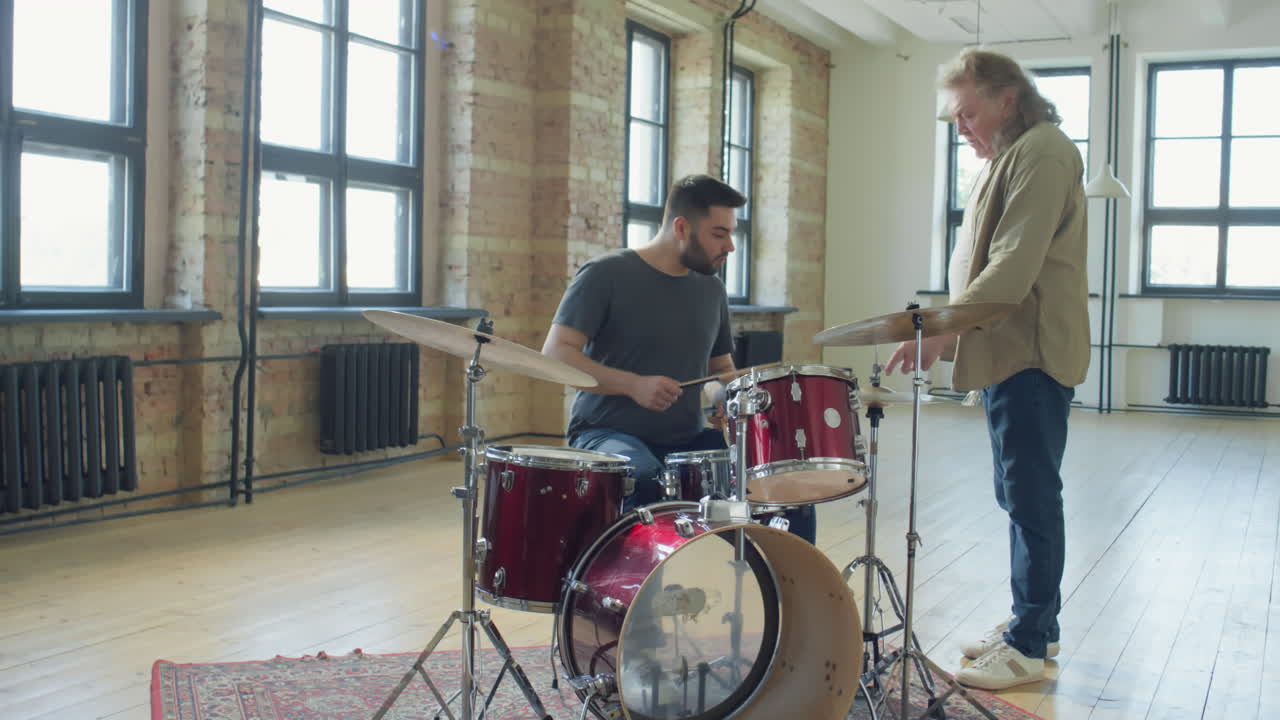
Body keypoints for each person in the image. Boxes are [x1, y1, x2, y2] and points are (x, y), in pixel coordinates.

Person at [886, 49, 1089, 690]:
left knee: (1030, 496)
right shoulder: (1011, 156)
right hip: (1008, 353)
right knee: (1017, 492)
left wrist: (942, 334)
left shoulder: (1044, 152)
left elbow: (1011, 267)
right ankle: (1037, 625)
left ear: (1007, 99)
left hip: (1030, 354)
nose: (960, 127)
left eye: (968, 113)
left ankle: (1028, 645)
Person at [542, 174, 817, 544]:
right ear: (682, 228)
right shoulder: (605, 274)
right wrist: (633, 385)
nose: (730, 246)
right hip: (605, 434)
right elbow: (556, 353)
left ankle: (789, 577)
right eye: (719, 234)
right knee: (645, 479)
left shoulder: (711, 289)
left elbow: (720, 371)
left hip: (686, 441)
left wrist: (725, 397)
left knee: (784, 478)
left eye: (731, 234)